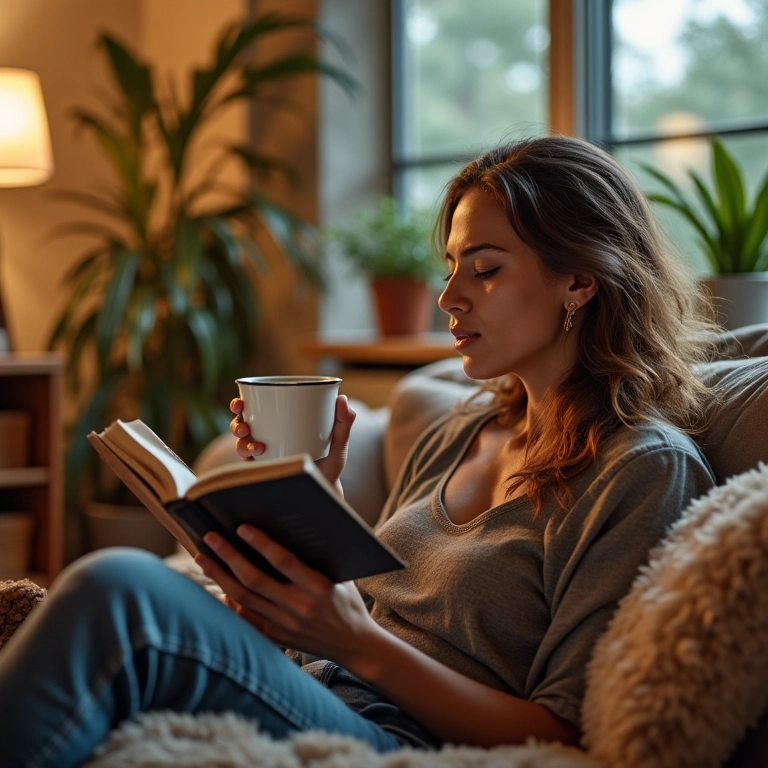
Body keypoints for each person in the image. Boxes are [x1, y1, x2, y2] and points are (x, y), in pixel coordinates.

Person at [0, 136, 719, 767]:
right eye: (450, 267)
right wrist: (313, 496)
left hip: (395, 737)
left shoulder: (642, 468)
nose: (448, 298)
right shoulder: (460, 431)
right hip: (311, 685)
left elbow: (565, 736)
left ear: (580, 281)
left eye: (485, 269)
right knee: (99, 606)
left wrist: (356, 644)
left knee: (118, 586)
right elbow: (368, 603)